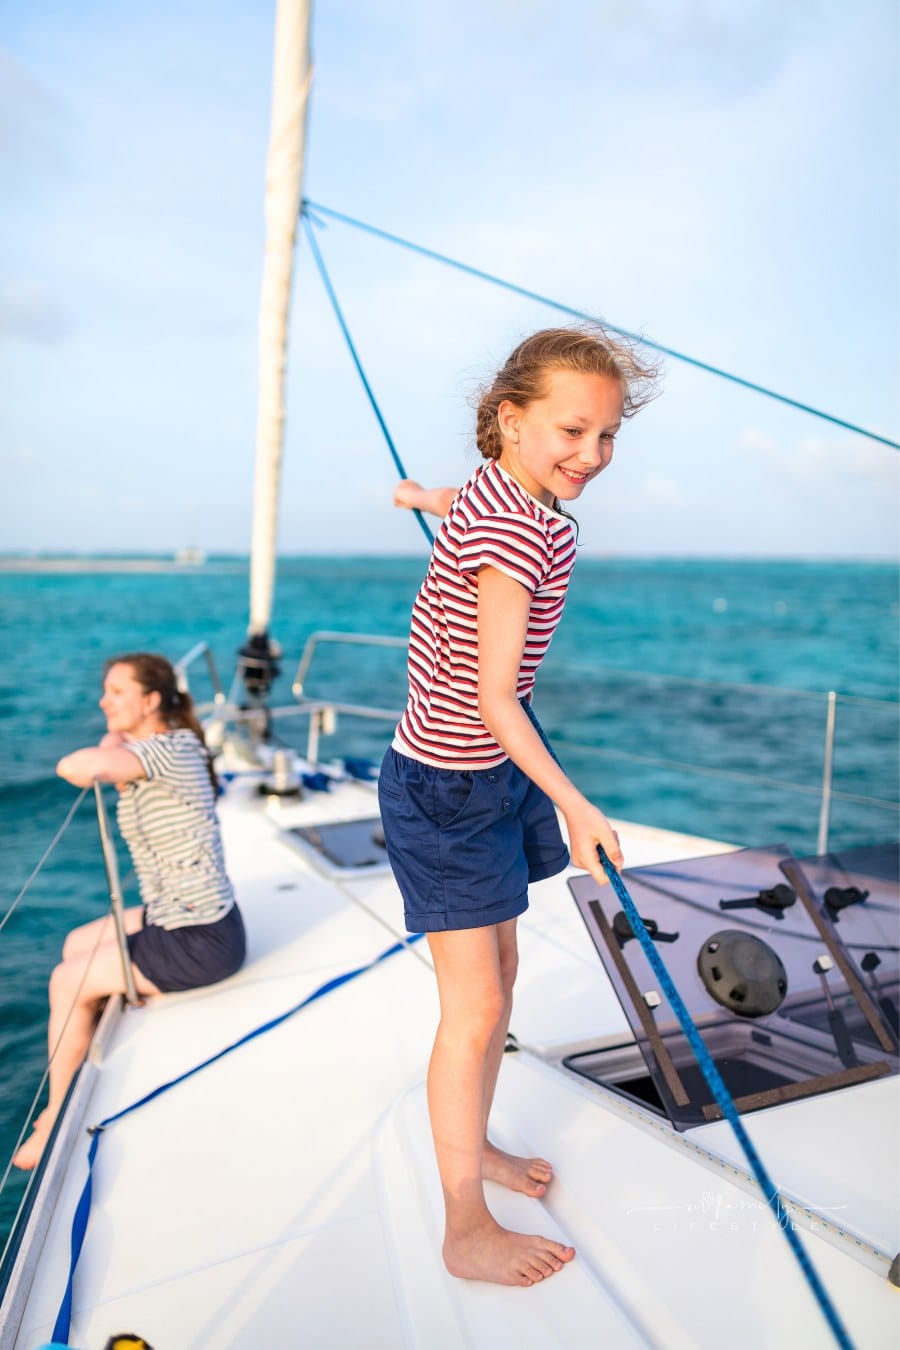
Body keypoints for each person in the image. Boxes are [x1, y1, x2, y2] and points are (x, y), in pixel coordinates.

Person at [378, 326, 659, 1287]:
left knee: (494, 972)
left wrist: (423, 497)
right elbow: (499, 698)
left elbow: (470, 499)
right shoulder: (510, 529)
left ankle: (479, 1144)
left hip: (482, 777)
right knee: (479, 1005)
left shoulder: (504, 494)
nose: (591, 456)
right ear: (509, 418)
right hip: (450, 787)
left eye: (607, 436)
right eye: (572, 431)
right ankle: (464, 1222)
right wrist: (576, 804)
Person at [14, 652, 245, 1171]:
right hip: (179, 915)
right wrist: (116, 737)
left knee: (63, 980)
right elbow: (104, 757)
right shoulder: (161, 746)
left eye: (116, 692)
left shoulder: (166, 750)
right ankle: (87, 1040)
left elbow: (75, 767)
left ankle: (52, 1118)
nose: (103, 700)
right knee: (76, 943)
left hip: (199, 940)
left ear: (151, 700)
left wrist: (109, 744)